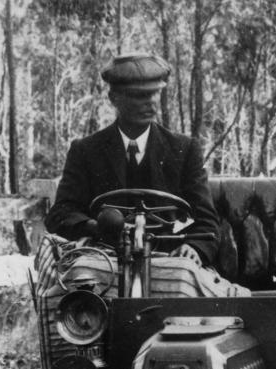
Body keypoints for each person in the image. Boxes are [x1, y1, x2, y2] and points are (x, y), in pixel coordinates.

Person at [45, 52, 219, 267]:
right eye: (139, 95)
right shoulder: (86, 150)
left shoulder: (184, 149)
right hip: (104, 261)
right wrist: (94, 227)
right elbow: (61, 213)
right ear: (114, 98)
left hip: (170, 263)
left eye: (155, 93)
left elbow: (207, 220)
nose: (151, 103)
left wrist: (194, 247)